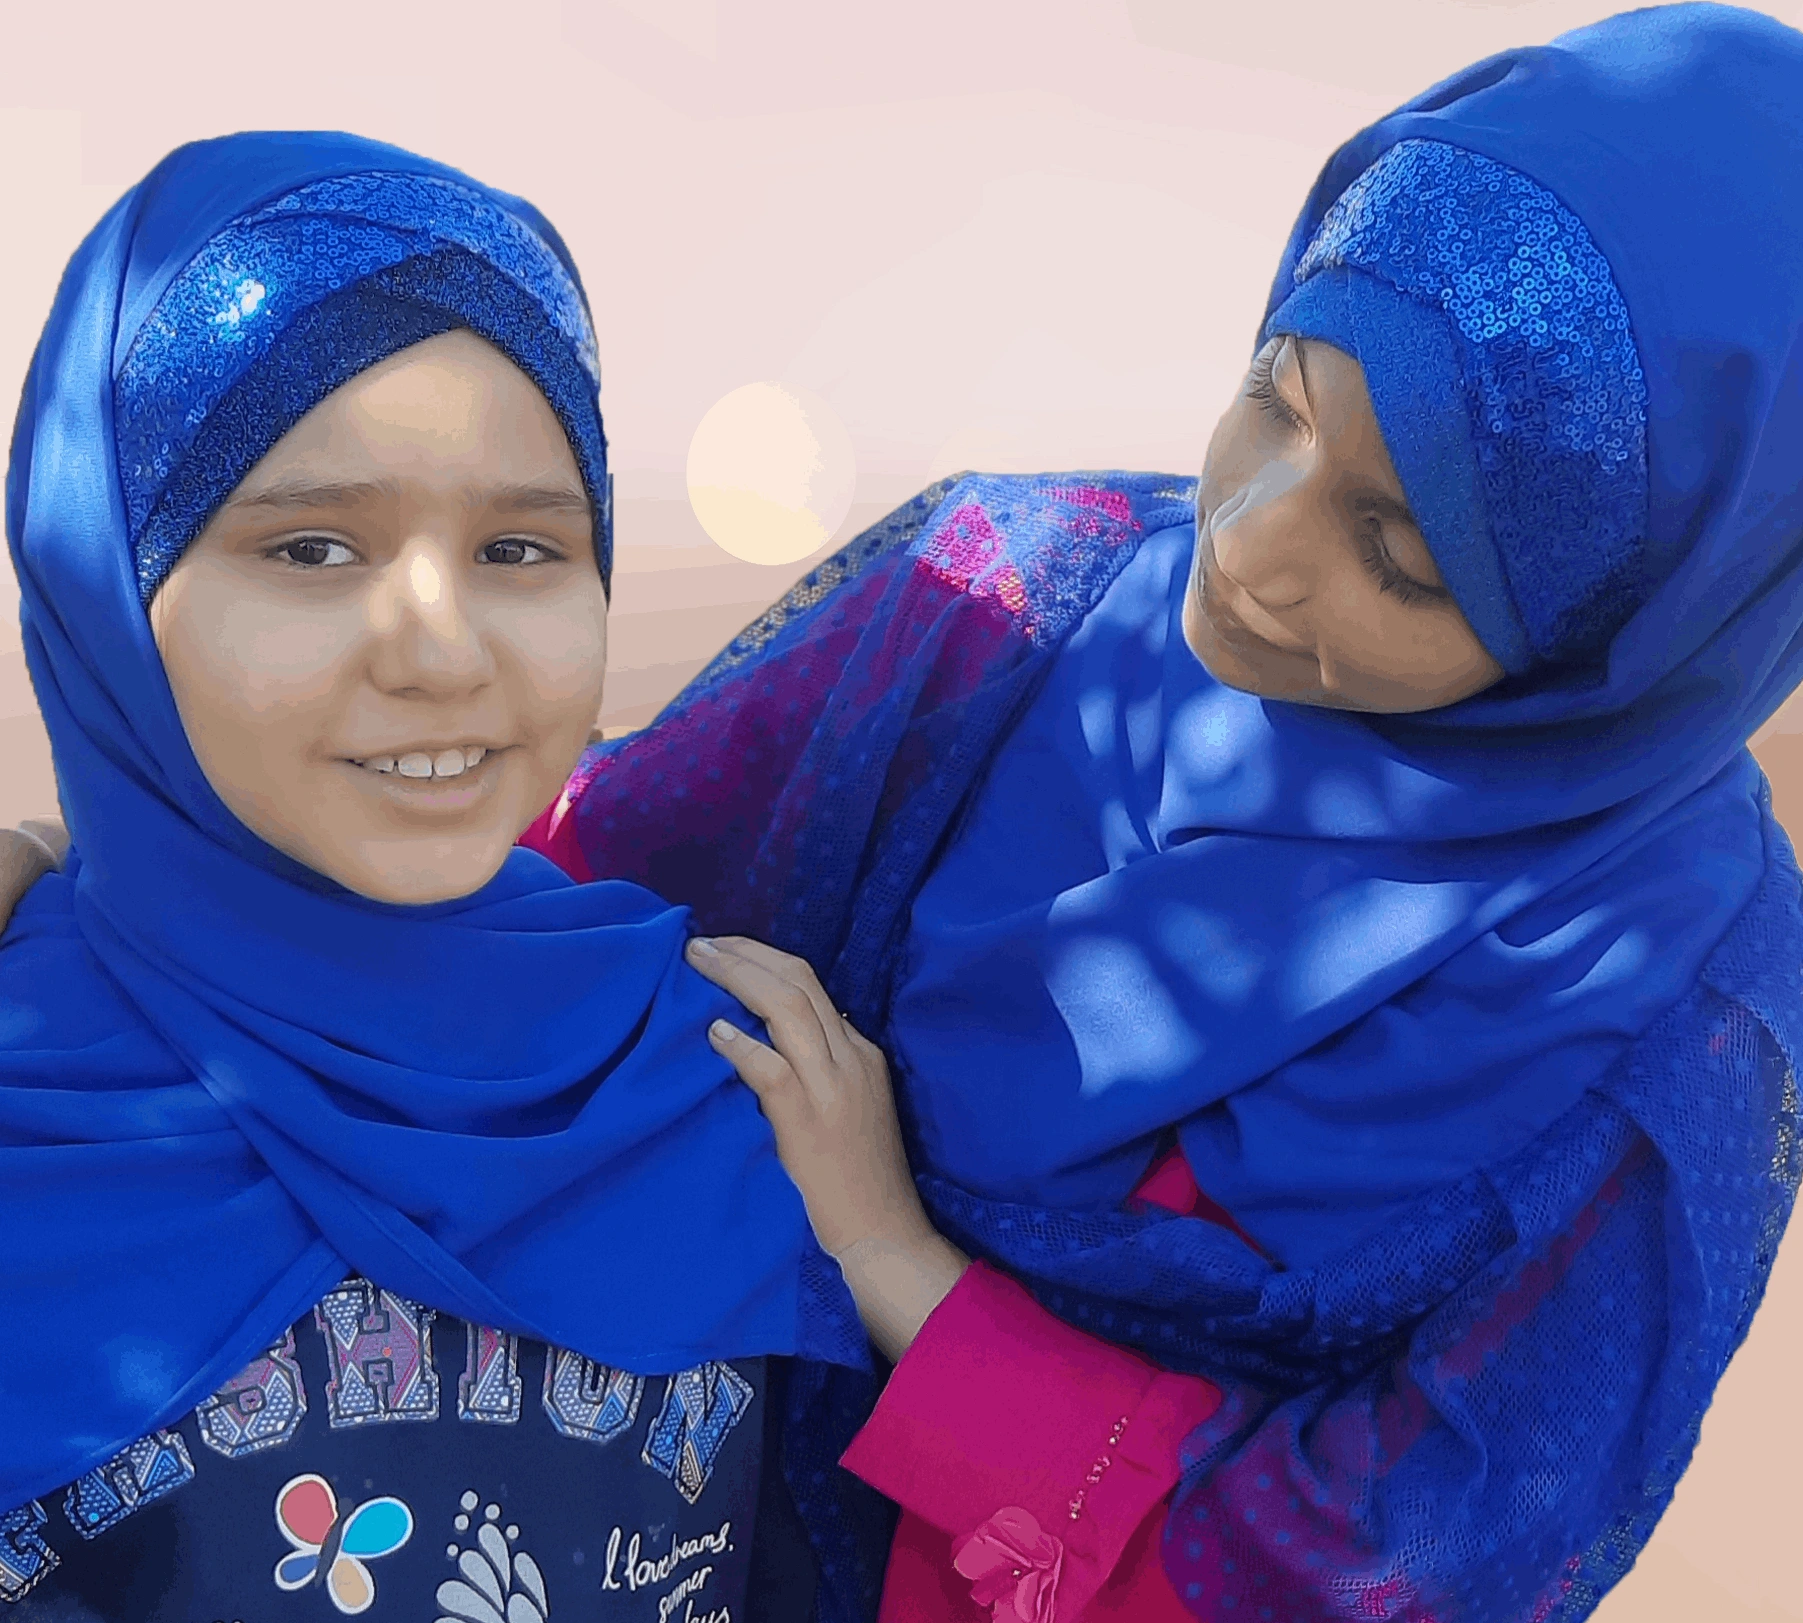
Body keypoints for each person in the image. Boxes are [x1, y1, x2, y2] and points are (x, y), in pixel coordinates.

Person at [501, 5, 1803, 1618]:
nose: (1251, 544)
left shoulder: (1687, 1024)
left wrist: (897, 1260)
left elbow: (1403, 1568)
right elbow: (527, 922)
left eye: (1400, 554)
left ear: (1636, 630)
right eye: (1277, 399)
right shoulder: (996, 604)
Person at [0, 134, 880, 1623]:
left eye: (521, 547)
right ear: (101, 589)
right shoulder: (24, 1105)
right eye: (312, 548)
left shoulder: (721, 1071)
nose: (441, 649)